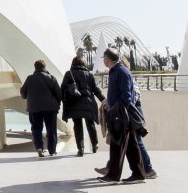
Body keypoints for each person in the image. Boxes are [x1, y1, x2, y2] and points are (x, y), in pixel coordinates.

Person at [96, 49, 146, 183]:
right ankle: (139, 174)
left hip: (120, 115)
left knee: (117, 144)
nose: (103, 61)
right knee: (131, 145)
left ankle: (113, 176)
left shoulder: (121, 72)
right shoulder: (117, 71)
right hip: (119, 113)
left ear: (107, 58)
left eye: (104, 58)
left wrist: (118, 112)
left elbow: (127, 96)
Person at [61, 56, 104, 157]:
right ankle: (95, 144)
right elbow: (95, 89)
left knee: (77, 125)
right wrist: (103, 99)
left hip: (74, 102)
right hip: (88, 102)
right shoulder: (89, 74)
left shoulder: (69, 73)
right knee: (90, 123)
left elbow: (63, 88)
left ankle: (81, 148)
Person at [20, 59, 62, 158]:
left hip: (34, 108)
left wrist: (28, 96)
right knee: (51, 129)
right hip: (50, 108)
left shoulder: (29, 78)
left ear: (35, 67)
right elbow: (59, 93)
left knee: (36, 129)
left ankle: (39, 148)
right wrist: (57, 104)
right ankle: (52, 150)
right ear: (44, 67)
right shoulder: (51, 78)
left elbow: (22, 93)